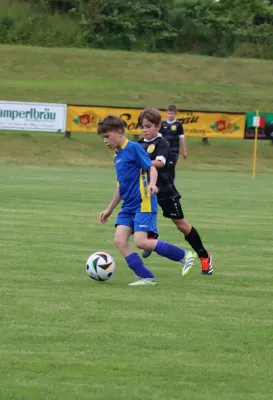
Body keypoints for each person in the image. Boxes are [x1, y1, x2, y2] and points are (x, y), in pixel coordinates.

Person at [98, 115, 197, 286]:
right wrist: (109, 209)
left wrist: (152, 184)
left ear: (120, 132)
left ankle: (184, 255)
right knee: (119, 241)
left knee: (141, 242)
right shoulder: (117, 157)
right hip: (128, 206)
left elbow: (151, 168)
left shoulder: (134, 148)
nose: (105, 141)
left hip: (143, 202)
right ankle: (146, 277)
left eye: (107, 136)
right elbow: (120, 187)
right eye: (103, 138)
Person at [138, 108, 213, 275]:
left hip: (164, 189)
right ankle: (151, 237)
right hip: (145, 191)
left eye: (148, 126)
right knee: (137, 217)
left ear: (158, 126)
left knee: (181, 225)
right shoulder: (139, 144)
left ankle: (204, 256)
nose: (144, 130)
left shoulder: (162, 142)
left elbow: (160, 162)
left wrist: (140, 162)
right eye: (142, 126)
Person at [159, 104, 187, 181]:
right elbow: (159, 138)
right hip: (164, 150)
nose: (170, 115)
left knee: (171, 166)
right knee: (163, 167)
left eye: (172, 113)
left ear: (175, 114)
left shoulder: (178, 124)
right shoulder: (162, 124)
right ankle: (163, 184)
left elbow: (181, 138)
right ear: (166, 113)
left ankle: (171, 184)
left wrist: (184, 150)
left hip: (173, 151)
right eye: (169, 113)